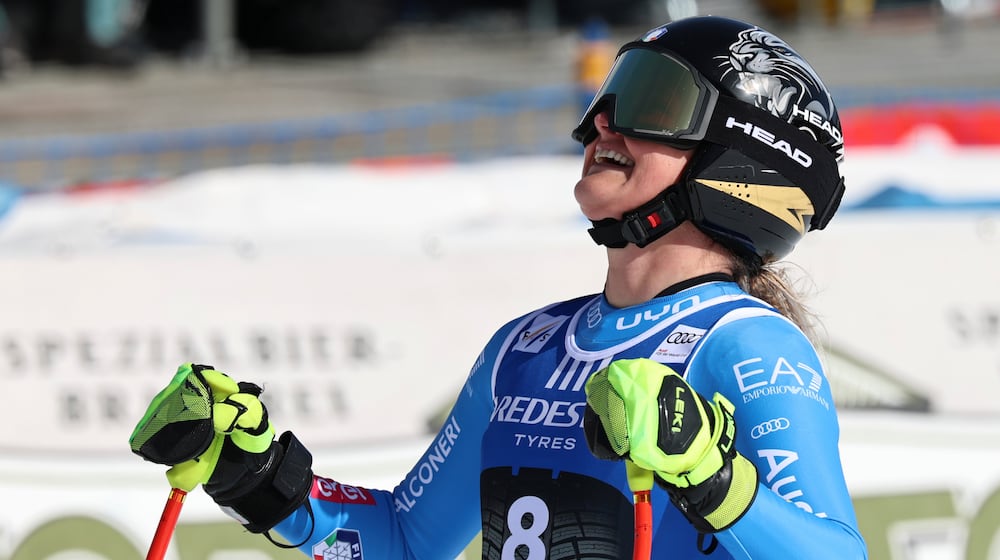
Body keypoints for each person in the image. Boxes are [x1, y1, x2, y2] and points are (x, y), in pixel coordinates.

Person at [129, 15, 868, 559]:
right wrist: (258, 477)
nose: (602, 123)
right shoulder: (528, 346)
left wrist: (711, 475)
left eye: (654, 104)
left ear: (741, 160)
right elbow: (407, 540)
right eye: (609, 97)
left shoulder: (747, 345)